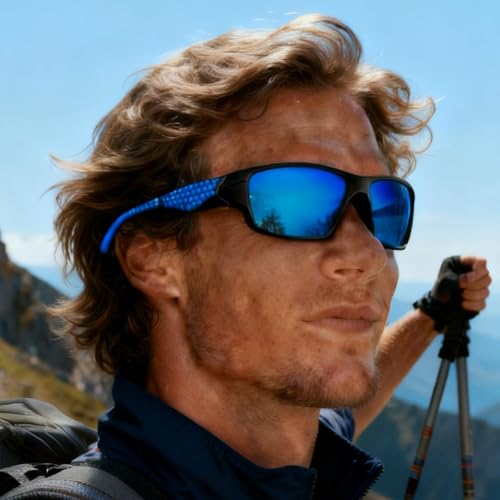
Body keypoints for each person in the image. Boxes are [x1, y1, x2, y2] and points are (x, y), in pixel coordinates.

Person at [46, 14, 490, 499]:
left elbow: (345, 414)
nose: (369, 253)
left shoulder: (288, 455)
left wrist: (433, 312)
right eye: (295, 203)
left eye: (380, 207)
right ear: (153, 258)